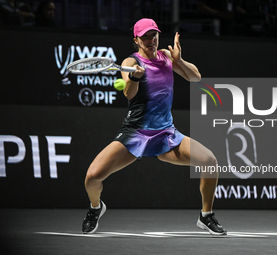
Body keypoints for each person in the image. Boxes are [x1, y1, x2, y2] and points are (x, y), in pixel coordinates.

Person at [81, 18, 226, 236]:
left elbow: (196, 78)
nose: (151, 40)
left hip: (166, 134)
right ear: (136, 40)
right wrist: (135, 78)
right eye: (146, 36)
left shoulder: (167, 57)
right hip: (135, 133)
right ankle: (95, 208)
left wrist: (180, 60)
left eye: (154, 35)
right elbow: (129, 93)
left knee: (210, 161)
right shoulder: (130, 62)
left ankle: (206, 216)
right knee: (92, 178)